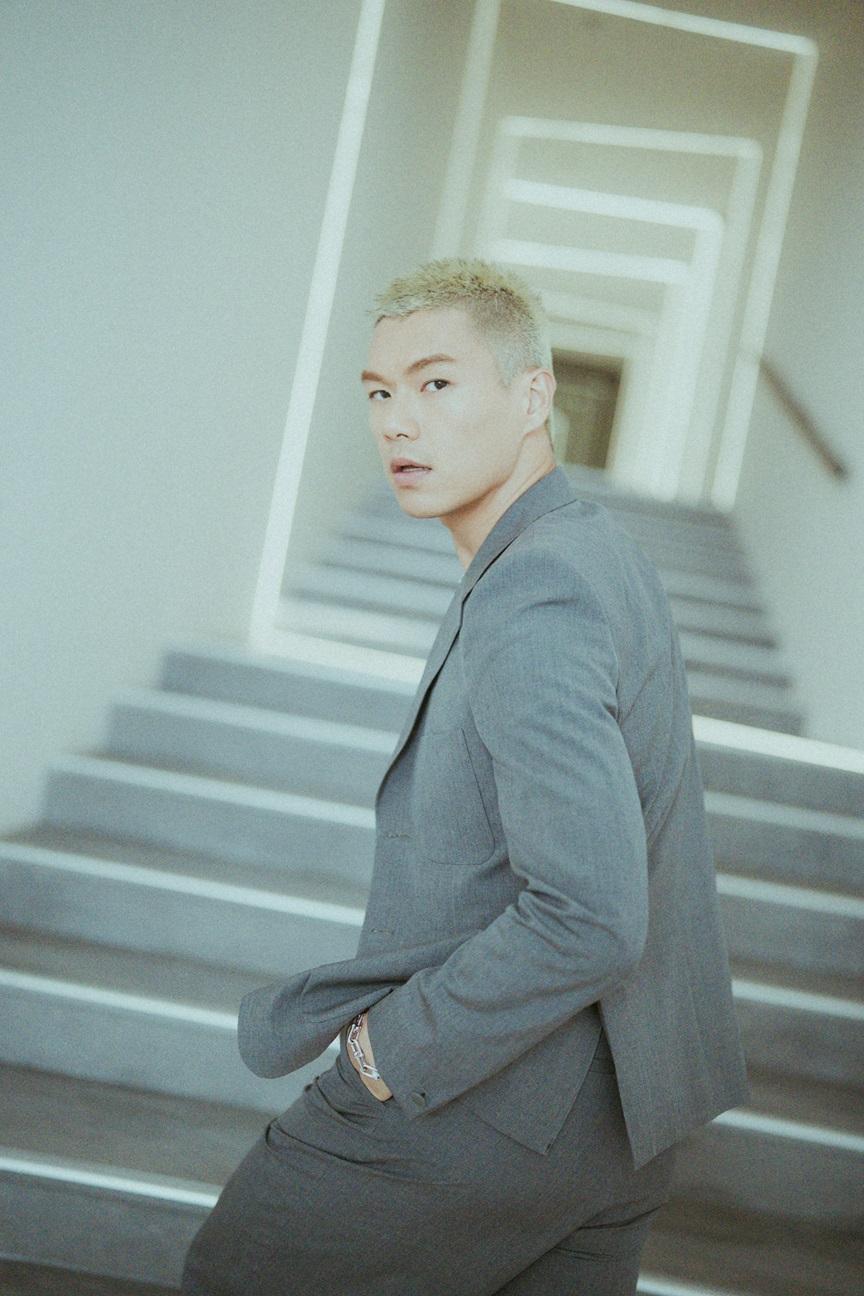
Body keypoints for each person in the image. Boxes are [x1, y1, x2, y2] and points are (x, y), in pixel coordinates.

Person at [181, 258, 750, 1295]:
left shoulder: (539, 592)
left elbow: (591, 912)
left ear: (534, 396)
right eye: (378, 393)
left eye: (436, 384)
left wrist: (389, 1053)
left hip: (486, 1105)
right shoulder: (589, 553)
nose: (398, 421)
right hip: (617, 1127)